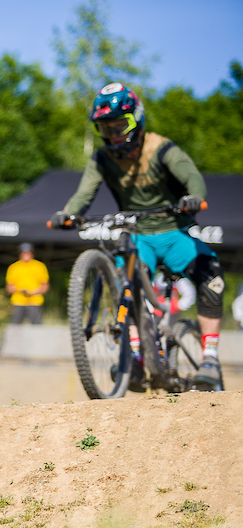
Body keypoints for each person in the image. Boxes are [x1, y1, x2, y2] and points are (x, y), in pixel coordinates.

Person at [49, 82, 223, 386]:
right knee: (124, 286)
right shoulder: (102, 158)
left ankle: (209, 357)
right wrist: (69, 213)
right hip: (138, 236)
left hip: (173, 233)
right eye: (106, 127)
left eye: (120, 125)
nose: (114, 133)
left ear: (137, 119)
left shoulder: (161, 148)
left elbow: (192, 176)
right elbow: (84, 194)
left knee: (211, 276)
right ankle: (136, 357)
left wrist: (194, 196)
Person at [5, 243, 49, 324]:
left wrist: (34, 292)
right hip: (18, 301)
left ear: (32, 253)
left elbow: (45, 285)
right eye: (24, 253)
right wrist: (20, 290)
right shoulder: (14, 267)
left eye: (28, 252)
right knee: (15, 326)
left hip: (35, 301)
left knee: (36, 327)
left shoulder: (39, 266)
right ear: (20, 254)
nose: (26, 255)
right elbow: (9, 287)